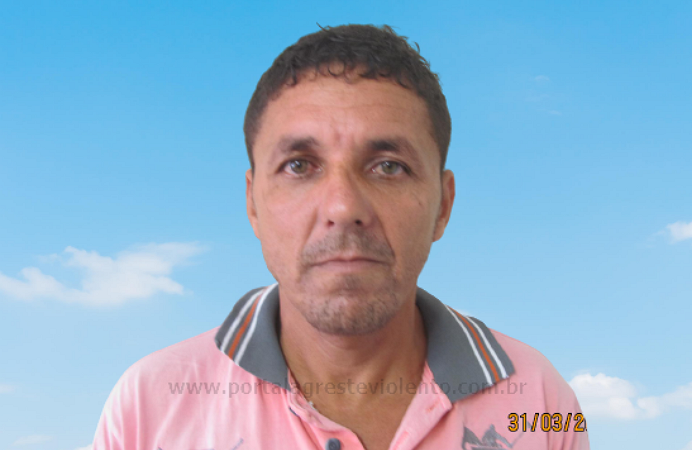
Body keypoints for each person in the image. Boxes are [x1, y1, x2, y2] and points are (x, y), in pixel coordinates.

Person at [92, 24, 590, 450]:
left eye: (388, 166)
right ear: (252, 204)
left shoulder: (540, 405)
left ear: (443, 205)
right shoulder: (149, 408)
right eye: (299, 166)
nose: (343, 207)